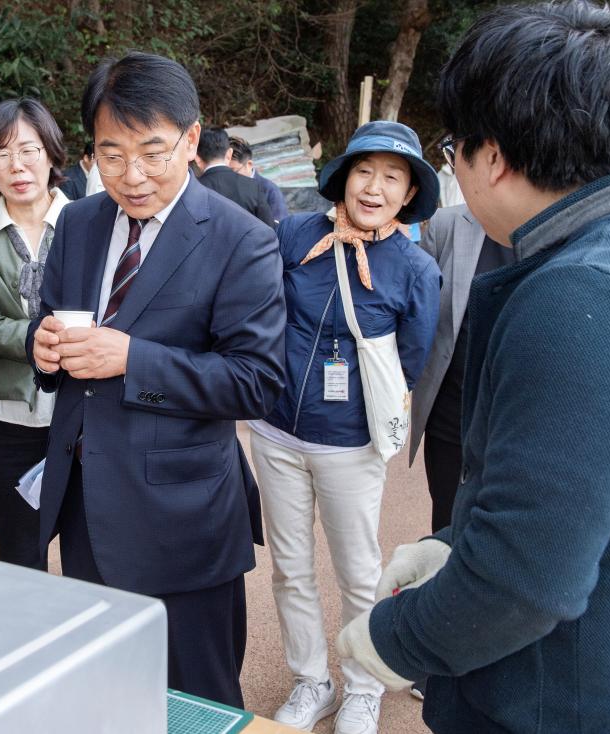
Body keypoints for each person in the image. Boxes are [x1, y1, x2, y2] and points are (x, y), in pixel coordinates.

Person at [335, 3, 610, 733]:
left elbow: (526, 580)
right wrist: (454, 548)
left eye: (453, 145)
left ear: (492, 157)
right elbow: (607, 494)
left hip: (574, 699)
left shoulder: (587, 294)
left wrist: (389, 641)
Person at [28, 51, 286, 707]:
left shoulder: (241, 239)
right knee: (110, 691)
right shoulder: (80, 222)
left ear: (193, 139)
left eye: (152, 151)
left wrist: (132, 358)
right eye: (110, 155)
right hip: (86, 501)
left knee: (196, 699)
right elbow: (49, 320)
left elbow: (256, 382)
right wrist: (46, 346)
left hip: (184, 516)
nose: (132, 175)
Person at [248, 120, 440, 733]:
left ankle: (364, 687)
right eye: (365, 171)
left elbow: (411, 358)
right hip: (276, 431)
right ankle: (313, 681)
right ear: (343, 176)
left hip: (349, 443)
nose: (375, 187)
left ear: (409, 194)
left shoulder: (413, 267)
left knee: (359, 572)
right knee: (290, 566)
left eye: (392, 177)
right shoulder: (293, 235)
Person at [0, 97, 69, 570]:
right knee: (22, 553)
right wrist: (34, 340)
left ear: (50, 154)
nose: (17, 166)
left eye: (28, 150)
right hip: (11, 420)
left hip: (83, 415)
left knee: (94, 549)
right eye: (1, 155)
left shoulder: (90, 220)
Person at [409, 204, 506, 533]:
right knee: (448, 525)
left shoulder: (557, 221)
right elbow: (417, 302)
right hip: (452, 415)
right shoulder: (448, 223)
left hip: (516, 415)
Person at [195, 127, 273, 226]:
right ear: (229, 154)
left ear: (197, 159)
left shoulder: (193, 190)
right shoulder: (251, 186)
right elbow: (269, 230)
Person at [230, 135, 289, 222]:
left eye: (233, 171)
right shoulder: (223, 187)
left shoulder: (270, 191)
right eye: (224, 171)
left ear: (249, 165)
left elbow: (279, 229)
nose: (227, 176)